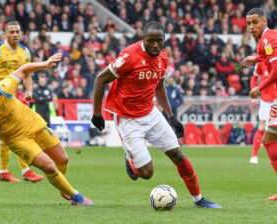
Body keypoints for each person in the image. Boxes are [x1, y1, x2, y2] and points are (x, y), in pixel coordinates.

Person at [91, 21, 221, 208]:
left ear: (164, 40)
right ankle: (131, 159)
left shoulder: (163, 58)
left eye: (159, 41)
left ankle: (199, 199)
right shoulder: (128, 57)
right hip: (127, 119)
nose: (155, 45)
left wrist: (170, 116)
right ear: (143, 38)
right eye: (151, 41)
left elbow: (159, 87)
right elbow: (100, 79)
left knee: (177, 154)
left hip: (151, 114)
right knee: (146, 173)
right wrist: (97, 113)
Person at [0, 53, 93, 206]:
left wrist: (45, 64)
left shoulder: (2, 88)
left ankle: (63, 187)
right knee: (49, 166)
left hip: (34, 123)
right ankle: (77, 197)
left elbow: (24, 69)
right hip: (17, 140)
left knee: (63, 160)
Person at [0, 20, 43, 183]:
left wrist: (29, 90)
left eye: (17, 31)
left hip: (11, 98)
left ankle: (5, 170)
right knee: (15, 132)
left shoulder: (25, 52)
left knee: (10, 134)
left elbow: (27, 73)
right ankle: (22, 170)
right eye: (11, 32)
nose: (15, 34)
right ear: (5, 34)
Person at [241, 8, 277, 201]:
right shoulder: (264, 42)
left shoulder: (269, 38)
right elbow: (265, 57)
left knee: (270, 141)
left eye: (254, 22)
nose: (251, 27)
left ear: (264, 21)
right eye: (248, 24)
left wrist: (258, 87)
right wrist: (254, 58)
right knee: (269, 142)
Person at [249, 62, 276, 164]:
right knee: (262, 126)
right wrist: (253, 92)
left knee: (273, 128)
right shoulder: (261, 63)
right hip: (266, 100)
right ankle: (254, 155)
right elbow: (254, 78)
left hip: (276, 100)